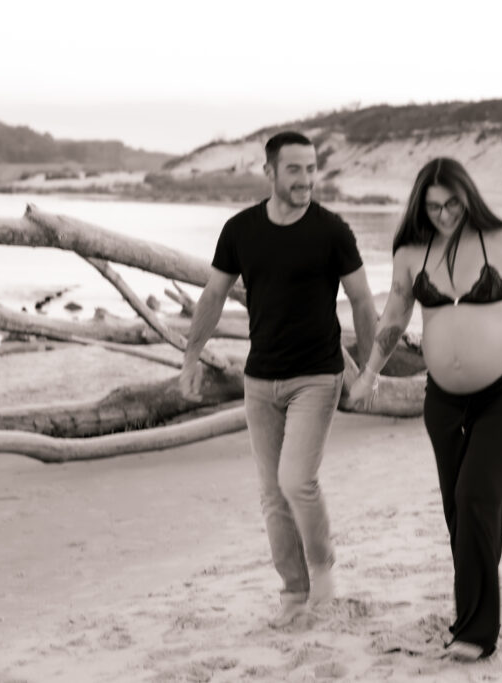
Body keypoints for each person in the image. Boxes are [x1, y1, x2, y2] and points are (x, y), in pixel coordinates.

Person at [347, 157, 502, 661]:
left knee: (477, 494)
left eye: (453, 204)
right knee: (462, 514)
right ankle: (471, 612)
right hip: (444, 402)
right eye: (434, 206)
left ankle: (476, 633)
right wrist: (369, 373)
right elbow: (395, 316)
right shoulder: (410, 251)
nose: (444, 215)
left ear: (469, 196)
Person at [179, 131, 377, 628]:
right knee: (272, 495)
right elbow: (213, 296)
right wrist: (191, 356)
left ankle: (323, 571)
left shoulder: (331, 230)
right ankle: (294, 594)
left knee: (296, 481)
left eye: (312, 169)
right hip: (260, 380)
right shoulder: (240, 229)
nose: (306, 179)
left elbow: (362, 301)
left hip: (316, 377)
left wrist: (371, 369)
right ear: (269, 173)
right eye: (295, 170)